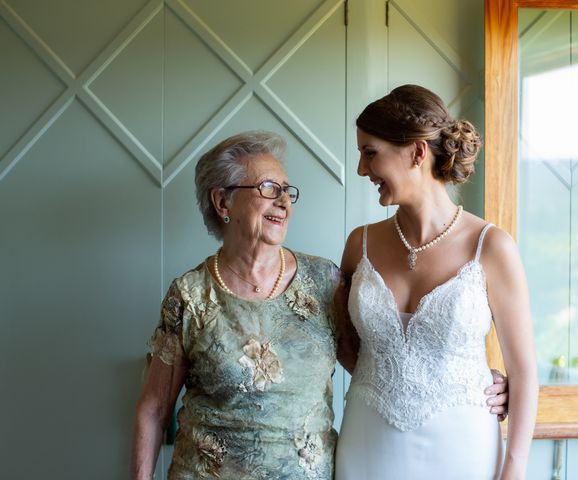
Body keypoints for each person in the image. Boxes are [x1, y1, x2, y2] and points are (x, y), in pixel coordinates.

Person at [130, 130, 510, 479]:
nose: (283, 201)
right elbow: (153, 410)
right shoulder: (191, 295)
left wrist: (471, 379)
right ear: (222, 200)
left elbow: (379, 362)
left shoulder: (322, 281)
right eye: (267, 188)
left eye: (287, 190)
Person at [335, 85, 538, 480]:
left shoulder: (491, 247)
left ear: (416, 152)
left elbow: (525, 370)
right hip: (367, 445)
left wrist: (513, 470)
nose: (362, 169)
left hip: (464, 449)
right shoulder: (358, 244)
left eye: (370, 153)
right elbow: (341, 343)